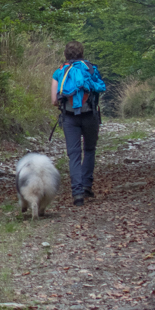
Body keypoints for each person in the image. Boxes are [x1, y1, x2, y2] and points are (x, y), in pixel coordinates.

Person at [50, 41, 106, 206]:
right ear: (82, 53)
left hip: (69, 118)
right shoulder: (90, 68)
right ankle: (87, 186)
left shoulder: (59, 72)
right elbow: (98, 90)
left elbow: (54, 100)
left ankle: (77, 194)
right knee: (89, 150)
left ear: (65, 54)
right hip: (90, 116)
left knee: (74, 154)